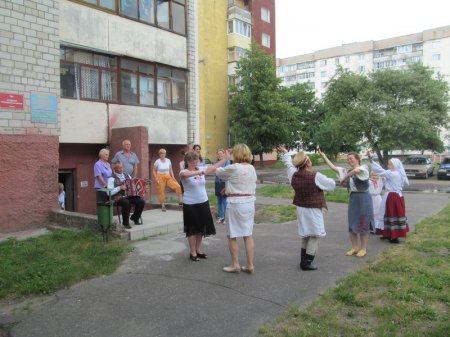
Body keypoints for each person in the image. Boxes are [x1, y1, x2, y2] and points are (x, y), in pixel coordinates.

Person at [278, 145, 336, 270]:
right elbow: (331, 185)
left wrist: (286, 153)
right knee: (314, 235)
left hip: (301, 209)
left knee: (306, 235)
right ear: (308, 163)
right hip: (313, 209)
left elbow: (288, 164)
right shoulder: (316, 176)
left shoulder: (293, 174)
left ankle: (303, 261)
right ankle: (307, 263)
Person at [320, 150, 374, 257]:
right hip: (354, 197)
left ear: (357, 159)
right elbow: (333, 167)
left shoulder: (364, 168)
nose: (349, 161)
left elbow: (355, 171)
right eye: (348, 159)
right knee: (352, 223)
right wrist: (324, 156)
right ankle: (354, 247)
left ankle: (363, 248)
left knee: (363, 222)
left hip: (364, 197)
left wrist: (344, 178)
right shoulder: (346, 170)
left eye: (351, 159)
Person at [180, 150, 230, 261]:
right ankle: (192, 252)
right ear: (187, 161)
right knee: (192, 229)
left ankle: (198, 250)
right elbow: (185, 175)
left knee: (201, 228)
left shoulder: (201, 169)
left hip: (203, 202)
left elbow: (213, 168)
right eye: (192, 160)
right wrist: (198, 172)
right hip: (190, 204)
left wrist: (224, 159)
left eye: (196, 160)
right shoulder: (183, 171)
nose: (195, 162)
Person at [216, 144, 257, 274]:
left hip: (235, 203)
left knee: (232, 235)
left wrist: (224, 159)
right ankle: (250, 265)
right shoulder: (252, 168)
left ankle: (235, 265)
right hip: (249, 202)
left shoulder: (234, 167)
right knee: (247, 234)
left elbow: (217, 171)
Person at [368, 152, 409, 243]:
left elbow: (380, 170)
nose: (388, 165)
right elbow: (382, 171)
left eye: (390, 164)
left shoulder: (393, 174)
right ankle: (387, 233)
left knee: (391, 214)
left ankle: (394, 236)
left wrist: (371, 160)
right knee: (388, 213)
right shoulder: (398, 173)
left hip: (393, 197)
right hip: (396, 196)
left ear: (395, 165)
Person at [111, 162, 145, 229]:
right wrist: (119, 188)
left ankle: (135, 218)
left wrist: (139, 190)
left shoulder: (127, 175)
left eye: (122, 167)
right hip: (118, 197)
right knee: (126, 203)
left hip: (129, 196)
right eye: (119, 168)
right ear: (115, 169)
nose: (121, 169)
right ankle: (125, 223)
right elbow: (109, 192)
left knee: (141, 201)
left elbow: (133, 184)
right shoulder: (111, 178)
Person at [214, 149, 231, 224]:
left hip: (224, 183)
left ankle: (226, 217)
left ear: (224, 154)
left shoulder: (227, 162)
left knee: (225, 201)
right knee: (219, 201)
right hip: (217, 182)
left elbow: (226, 172)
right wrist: (220, 172)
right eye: (218, 154)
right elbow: (215, 171)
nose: (220, 155)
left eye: (221, 154)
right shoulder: (215, 162)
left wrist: (220, 172)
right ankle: (221, 217)